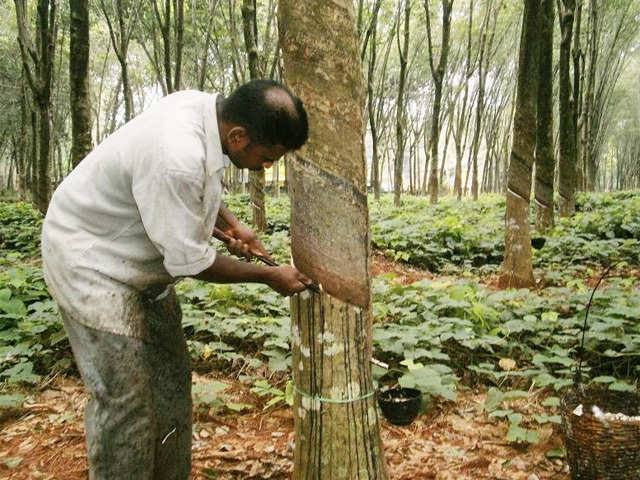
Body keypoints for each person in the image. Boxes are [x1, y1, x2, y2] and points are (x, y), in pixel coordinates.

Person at [41, 79, 312, 479]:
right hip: (90, 262)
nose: (266, 168)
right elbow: (193, 263)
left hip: (142, 264)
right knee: (126, 399)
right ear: (238, 136)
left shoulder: (203, 112)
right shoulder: (175, 154)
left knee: (169, 381)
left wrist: (232, 223)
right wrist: (269, 276)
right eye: (267, 158)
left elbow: (197, 184)